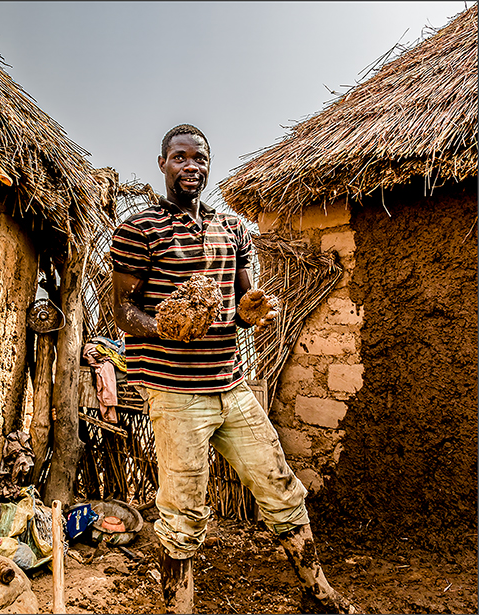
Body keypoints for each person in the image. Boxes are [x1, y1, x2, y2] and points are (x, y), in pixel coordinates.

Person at [110, 124, 357, 614]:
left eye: (199, 158)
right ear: (162, 164)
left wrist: (254, 310)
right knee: (182, 513)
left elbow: (245, 300)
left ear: (208, 163)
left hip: (232, 384)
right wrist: (168, 328)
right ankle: (178, 608)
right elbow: (120, 308)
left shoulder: (232, 229)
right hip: (175, 392)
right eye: (179, 158)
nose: (191, 167)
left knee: (282, 490)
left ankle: (318, 594)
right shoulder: (139, 230)